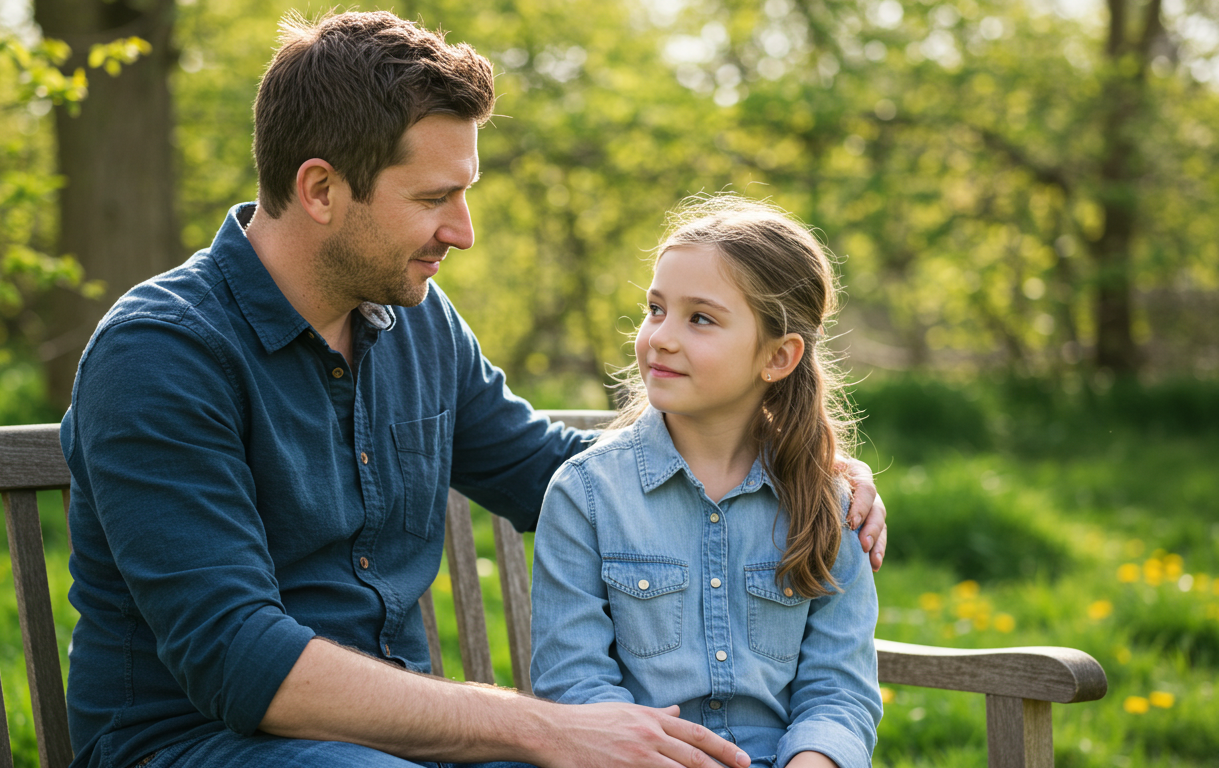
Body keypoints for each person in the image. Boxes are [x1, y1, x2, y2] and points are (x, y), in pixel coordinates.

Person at [60, 11, 887, 768]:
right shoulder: (162, 355)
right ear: (319, 190)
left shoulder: (413, 319)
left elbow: (545, 468)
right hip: (199, 744)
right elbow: (240, 661)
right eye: (434, 198)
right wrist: (542, 725)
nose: (462, 231)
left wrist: (785, 460)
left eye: (465, 192)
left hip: (401, 743)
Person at [530, 197, 881, 768]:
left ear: (778, 357)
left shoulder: (828, 505)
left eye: (700, 318)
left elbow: (838, 692)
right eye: (655, 309)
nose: (661, 337)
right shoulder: (586, 495)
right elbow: (574, 685)